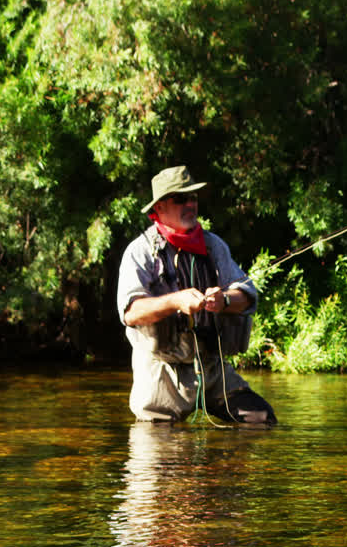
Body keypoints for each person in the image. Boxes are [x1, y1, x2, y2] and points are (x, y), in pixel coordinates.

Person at [117, 165, 276, 424]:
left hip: (212, 369)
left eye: (193, 198)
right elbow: (131, 312)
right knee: (160, 443)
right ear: (159, 208)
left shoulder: (213, 245)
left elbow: (247, 296)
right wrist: (174, 301)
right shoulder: (140, 252)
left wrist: (224, 300)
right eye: (180, 199)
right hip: (161, 373)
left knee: (260, 418)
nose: (190, 204)